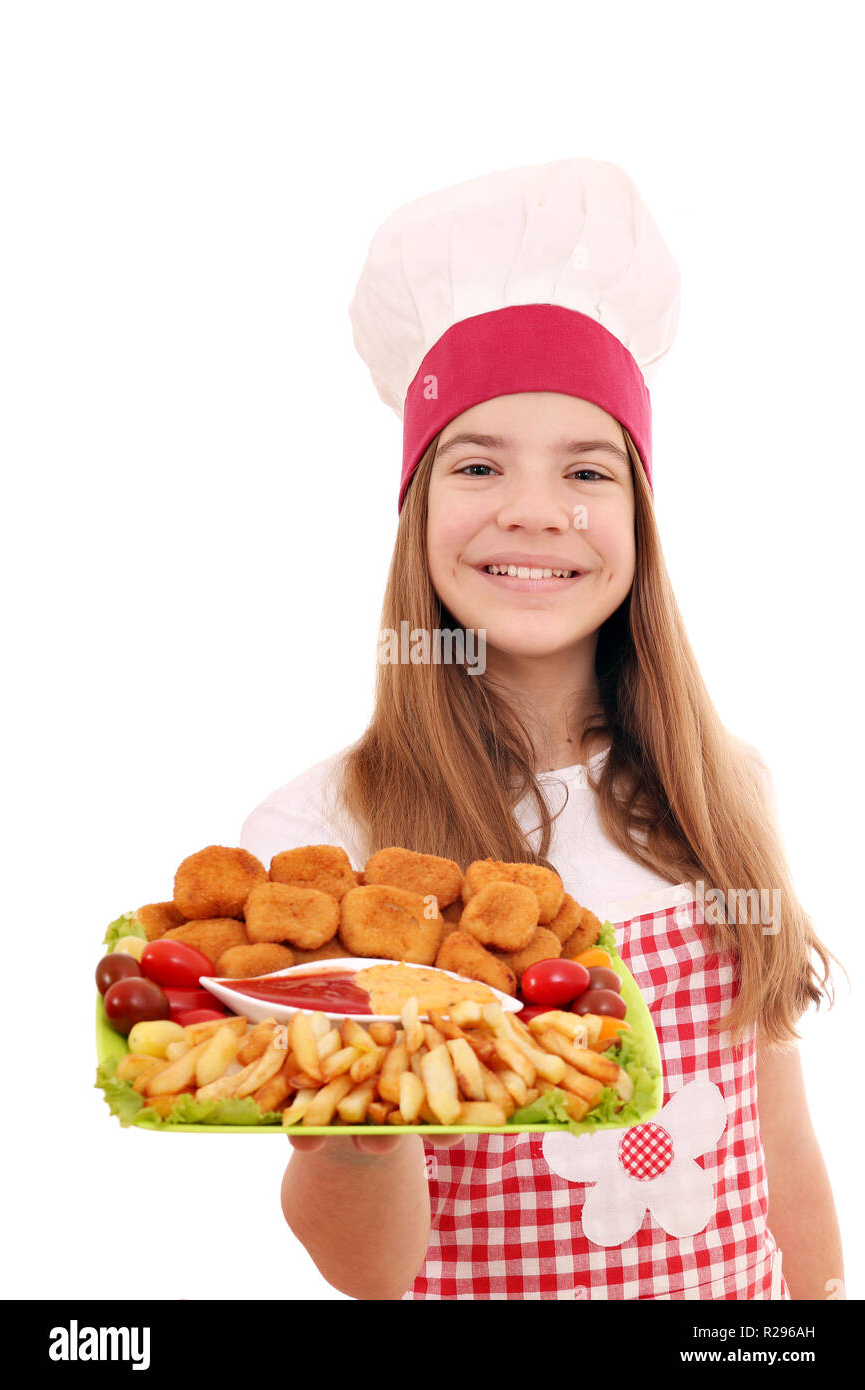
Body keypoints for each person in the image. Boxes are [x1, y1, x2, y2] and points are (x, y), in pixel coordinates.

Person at [240, 159, 845, 1301]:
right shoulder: (329, 838)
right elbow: (370, 1268)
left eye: (585, 467)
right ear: (417, 514)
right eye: (477, 464)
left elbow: (785, 1161)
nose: (533, 508)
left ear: (638, 516)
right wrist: (357, 1113)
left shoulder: (724, 787)